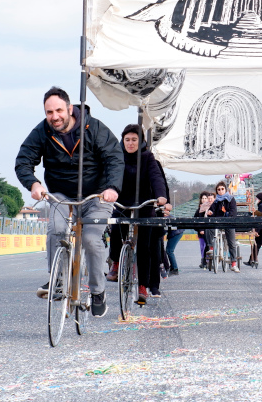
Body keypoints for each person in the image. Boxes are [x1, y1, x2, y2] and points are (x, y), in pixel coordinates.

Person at [15, 86, 124, 318]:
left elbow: (114, 157)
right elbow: (23, 160)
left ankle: (97, 291)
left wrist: (112, 188)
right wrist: (33, 184)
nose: (54, 117)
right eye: (49, 112)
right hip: (61, 194)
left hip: (97, 195)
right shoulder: (42, 131)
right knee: (56, 228)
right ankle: (59, 281)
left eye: (58, 111)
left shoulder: (93, 127)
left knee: (91, 239)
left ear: (69, 108)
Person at [111, 124, 170, 303]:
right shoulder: (117, 157)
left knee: (145, 247)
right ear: (123, 141)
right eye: (127, 140)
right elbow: (110, 175)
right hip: (123, 202)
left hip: (144, 204)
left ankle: (143, 285)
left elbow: (156, 177)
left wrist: (161, 196)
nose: (130, 143)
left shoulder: (147, 157)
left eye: (134, 140)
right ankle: (114, 262)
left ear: (141, 141)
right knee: (115, 227)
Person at [207, 181, 240, 272]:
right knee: (208, 227)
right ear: (217, 191)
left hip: (229, 222)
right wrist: (210, 212)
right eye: (218, 189)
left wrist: (226, 214)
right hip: (218, 222)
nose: (220, 191)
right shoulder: (216, 201)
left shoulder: (231, 199)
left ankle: (233, 263)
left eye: (222, 189)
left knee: (231, 242)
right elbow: (212, 210)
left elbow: (234, 212)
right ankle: (211, 247)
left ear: (225, 189)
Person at [246, 192, 262, 267]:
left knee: (257, 245)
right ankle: (251, 260)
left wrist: (257, 230)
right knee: (257, 245)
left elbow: (260, 219)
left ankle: (251, 260)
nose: (256, 199)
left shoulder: (261, 206)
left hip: (261, 229)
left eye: (257, 198)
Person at [193, 192, 214, 268]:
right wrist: (200, 230)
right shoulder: (199, 210)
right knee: (203, 246)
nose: (204, 200)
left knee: (208, 244)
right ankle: (204, 260)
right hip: (202, 231)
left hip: (210, 230)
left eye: (206, 198)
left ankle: (208, 261)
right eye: (203, 198)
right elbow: (196, 221)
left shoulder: (212, 207)